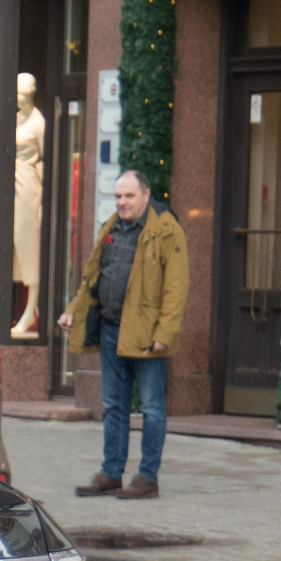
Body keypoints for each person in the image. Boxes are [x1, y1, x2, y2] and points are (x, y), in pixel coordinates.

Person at [61, 169, 188, 500]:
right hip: (110, 328)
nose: (122, 202)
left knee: (151, 407)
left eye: (129, 196)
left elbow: (176, 288)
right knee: (113, 405)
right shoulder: (111, 228)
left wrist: (165, 332)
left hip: (146, 335)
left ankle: (147, 478)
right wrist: (72, 311)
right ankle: (111, 473)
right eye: (118, 196)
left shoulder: (166, 229)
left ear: (146, 195)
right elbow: (92, 277)